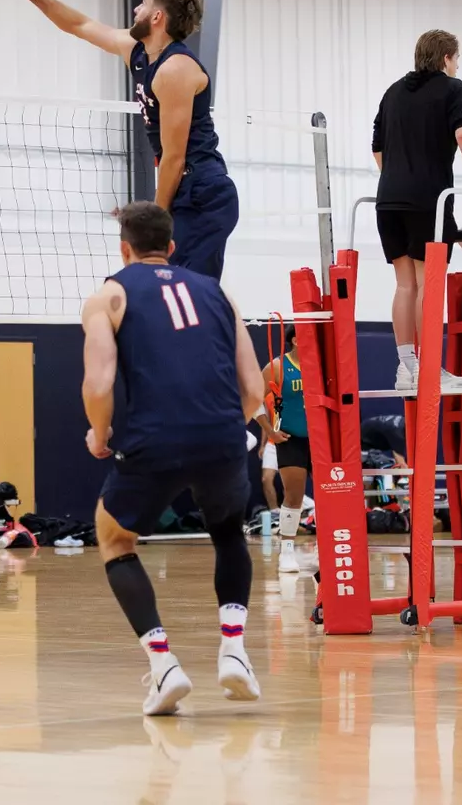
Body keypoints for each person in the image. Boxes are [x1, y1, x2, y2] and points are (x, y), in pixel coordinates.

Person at [83, 201, 264, 716]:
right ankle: (234, 650)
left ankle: (164, 666)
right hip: (222, 435)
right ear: (173, 246)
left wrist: (100, 434)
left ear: (124, 248)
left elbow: (98, 383)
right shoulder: (219, 293)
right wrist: (228, 426)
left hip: (153, 439)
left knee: (114, 538)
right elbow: (253, 388)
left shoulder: (109, 295)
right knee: (228, 530)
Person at [2, 0, 238, 280]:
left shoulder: (176, 69)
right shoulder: (138, 50)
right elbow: (79, 24)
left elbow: (174, 158)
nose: (136, 8)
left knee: (181, 288)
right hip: (187, 189)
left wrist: (157, 219)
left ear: (157, 18)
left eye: (144, 4)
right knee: (166, 287)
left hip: (203, 192)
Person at [371, 30, 462, 392]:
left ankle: (408, 368)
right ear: (447, 58)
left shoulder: (392, 93)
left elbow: (378, 151)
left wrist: (401, 181)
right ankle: (429, 368)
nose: (458, 65)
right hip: (427, 202)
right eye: (457, 58)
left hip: (388, 201)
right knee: (427, 285)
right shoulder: (454, 89)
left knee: (404, 285)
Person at [256, 326, 314, 574]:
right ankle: (287, 551)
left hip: (321, 440)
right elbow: (253, 397)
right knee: (294, 496)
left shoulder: (321, 365)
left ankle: (328, 549)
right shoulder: (278, 367)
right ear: (295, 340)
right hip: (292, 439)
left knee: (331, 496)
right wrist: (269, 431)